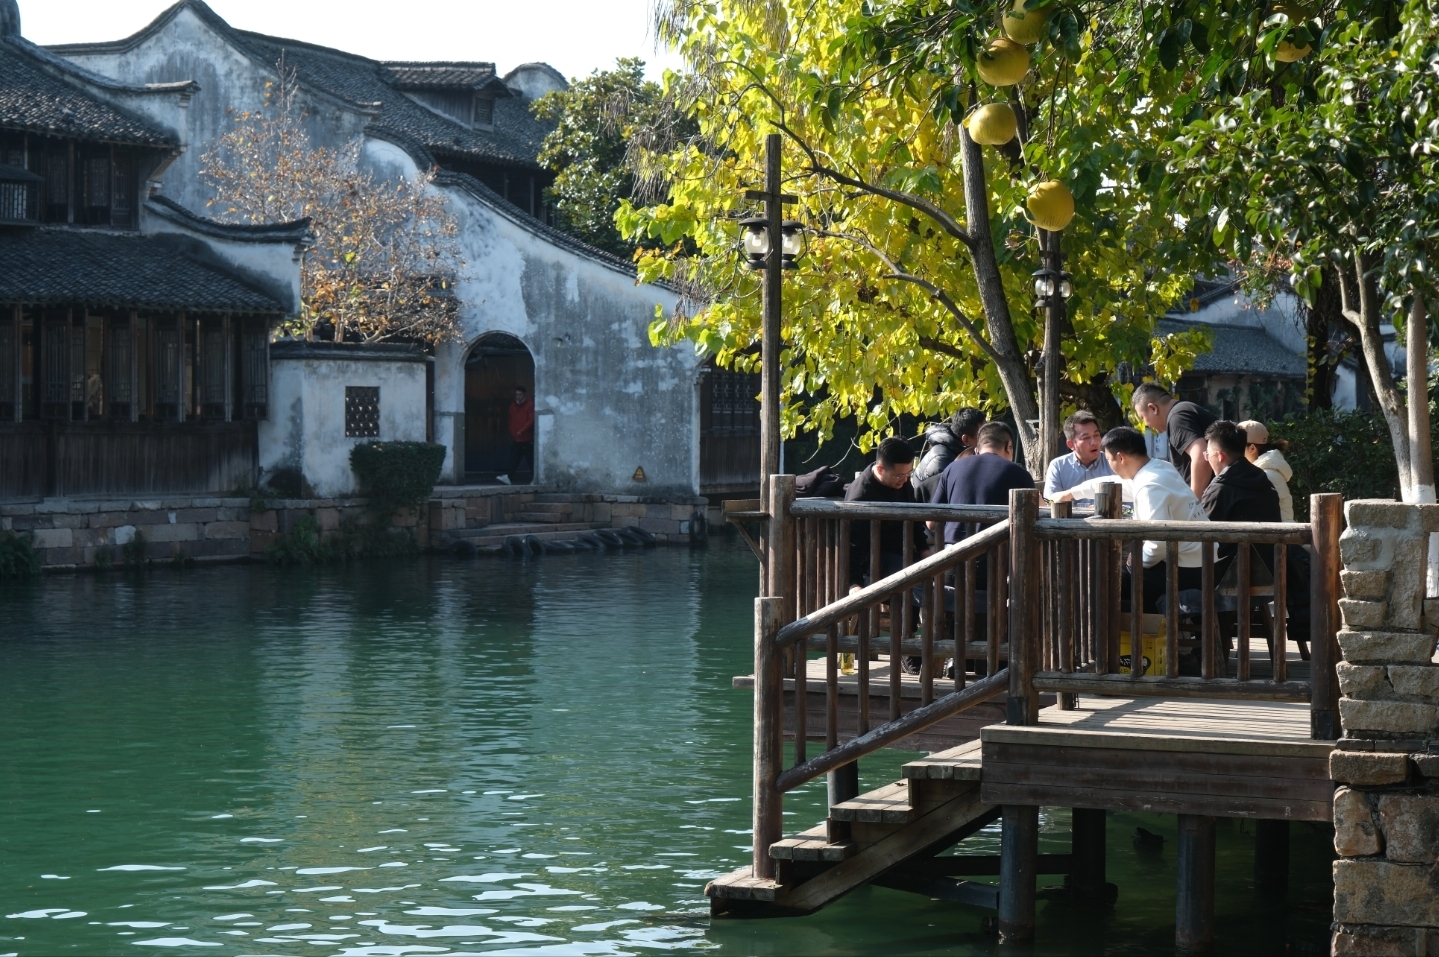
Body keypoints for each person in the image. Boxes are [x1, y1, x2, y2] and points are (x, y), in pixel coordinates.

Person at [1066, 426, 1208, 612]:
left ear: (1121, 457)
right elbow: (1119, 484)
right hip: (1201, 562)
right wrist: (1071, 493)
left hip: (1186, 571)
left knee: (1101, 583)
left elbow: (1157, 543)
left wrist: (1136, 561)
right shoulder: (1160, 468)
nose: (1109, 464)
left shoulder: (1149, 485)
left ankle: (1119, 638)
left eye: (1109, 459)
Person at [1201, 420, 1282, 584]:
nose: (1206, 459)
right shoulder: (1264, 481)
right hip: (1269, 574)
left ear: (1220, 456)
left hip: (1228, 578)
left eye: (1207, 454)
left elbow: (1199, 533)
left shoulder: (1220, 489)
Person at [929, 421, 1034, 546]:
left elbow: (931, 522)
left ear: (977, 450)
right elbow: (1037, 513)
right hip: (997, 552)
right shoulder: (1019, 473)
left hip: (953, 551)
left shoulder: (951, 468)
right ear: (1008, 447)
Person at [845, 436, 921, 588]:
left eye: (909, 474)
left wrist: (924, 549)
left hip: (903, 552)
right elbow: (852, 545)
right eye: (899, 475)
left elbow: (915, 517)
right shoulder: (860, 496)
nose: (905, 480)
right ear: (880, 468)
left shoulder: (902, 482)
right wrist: (854, 583)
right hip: (874, 560)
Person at [1131, 382, 1218, 499]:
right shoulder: (1183, 410)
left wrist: (1194, 504)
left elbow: (1201, 456)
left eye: (1143, 418)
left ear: (1153, 408)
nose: (1146, 424)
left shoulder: (1177, 418)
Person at [912, 407, 986, 502]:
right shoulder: (940, 459)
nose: (988, 439)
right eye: (982, 436)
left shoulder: (956, 451)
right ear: (966, 439)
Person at [1043, 410, 1114, 501]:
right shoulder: (1058, 466)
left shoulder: (1112, 462)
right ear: (1071, 444)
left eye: (1096, 435)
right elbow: (1051, 501)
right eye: (1086, 438)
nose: (1094, 442)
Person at [1238, 419, 1294, 522]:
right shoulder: (1267, 469)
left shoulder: (1265, 475)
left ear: (1252, 449)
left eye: (1237, 447)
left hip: (1279, 534)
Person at [496, 385, 534, 486]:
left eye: (520, 394)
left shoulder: (530, 405)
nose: (518, 397)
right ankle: (509, 477)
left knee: (530, 460)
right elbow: (510, 420)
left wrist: (522, 431)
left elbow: (531, 420)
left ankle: (535, 478)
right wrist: (513, 432)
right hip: (516, 438)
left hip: (526, 438)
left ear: (524, 394)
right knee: (513, 459)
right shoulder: (513, 406)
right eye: (516, 394)